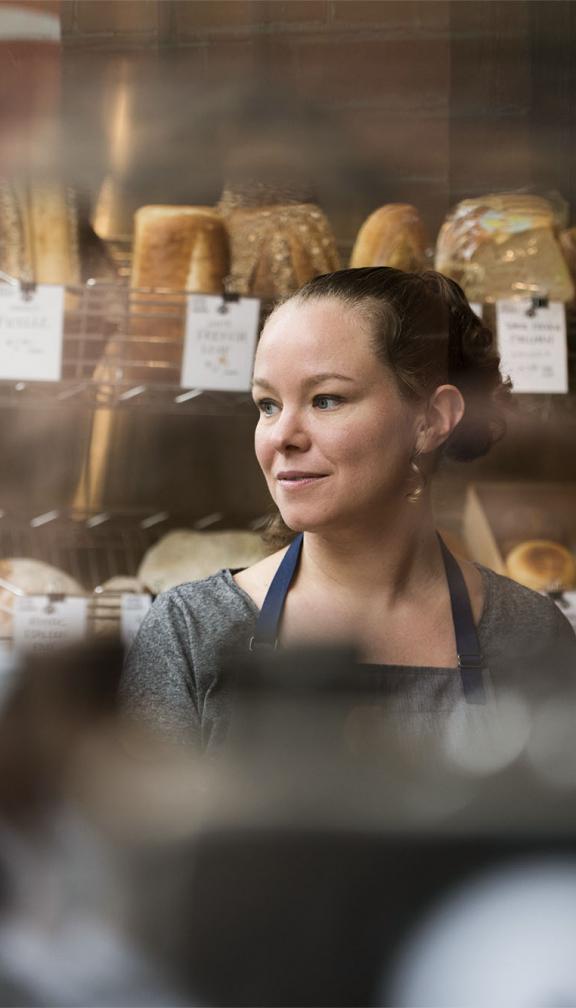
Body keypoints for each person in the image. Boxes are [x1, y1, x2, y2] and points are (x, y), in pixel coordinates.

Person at [121, 267, 576, 751]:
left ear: (431, 420)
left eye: (326, 399)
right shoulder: (190, 631)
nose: (281, 436)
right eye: (268, 404)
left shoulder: (529, 632)